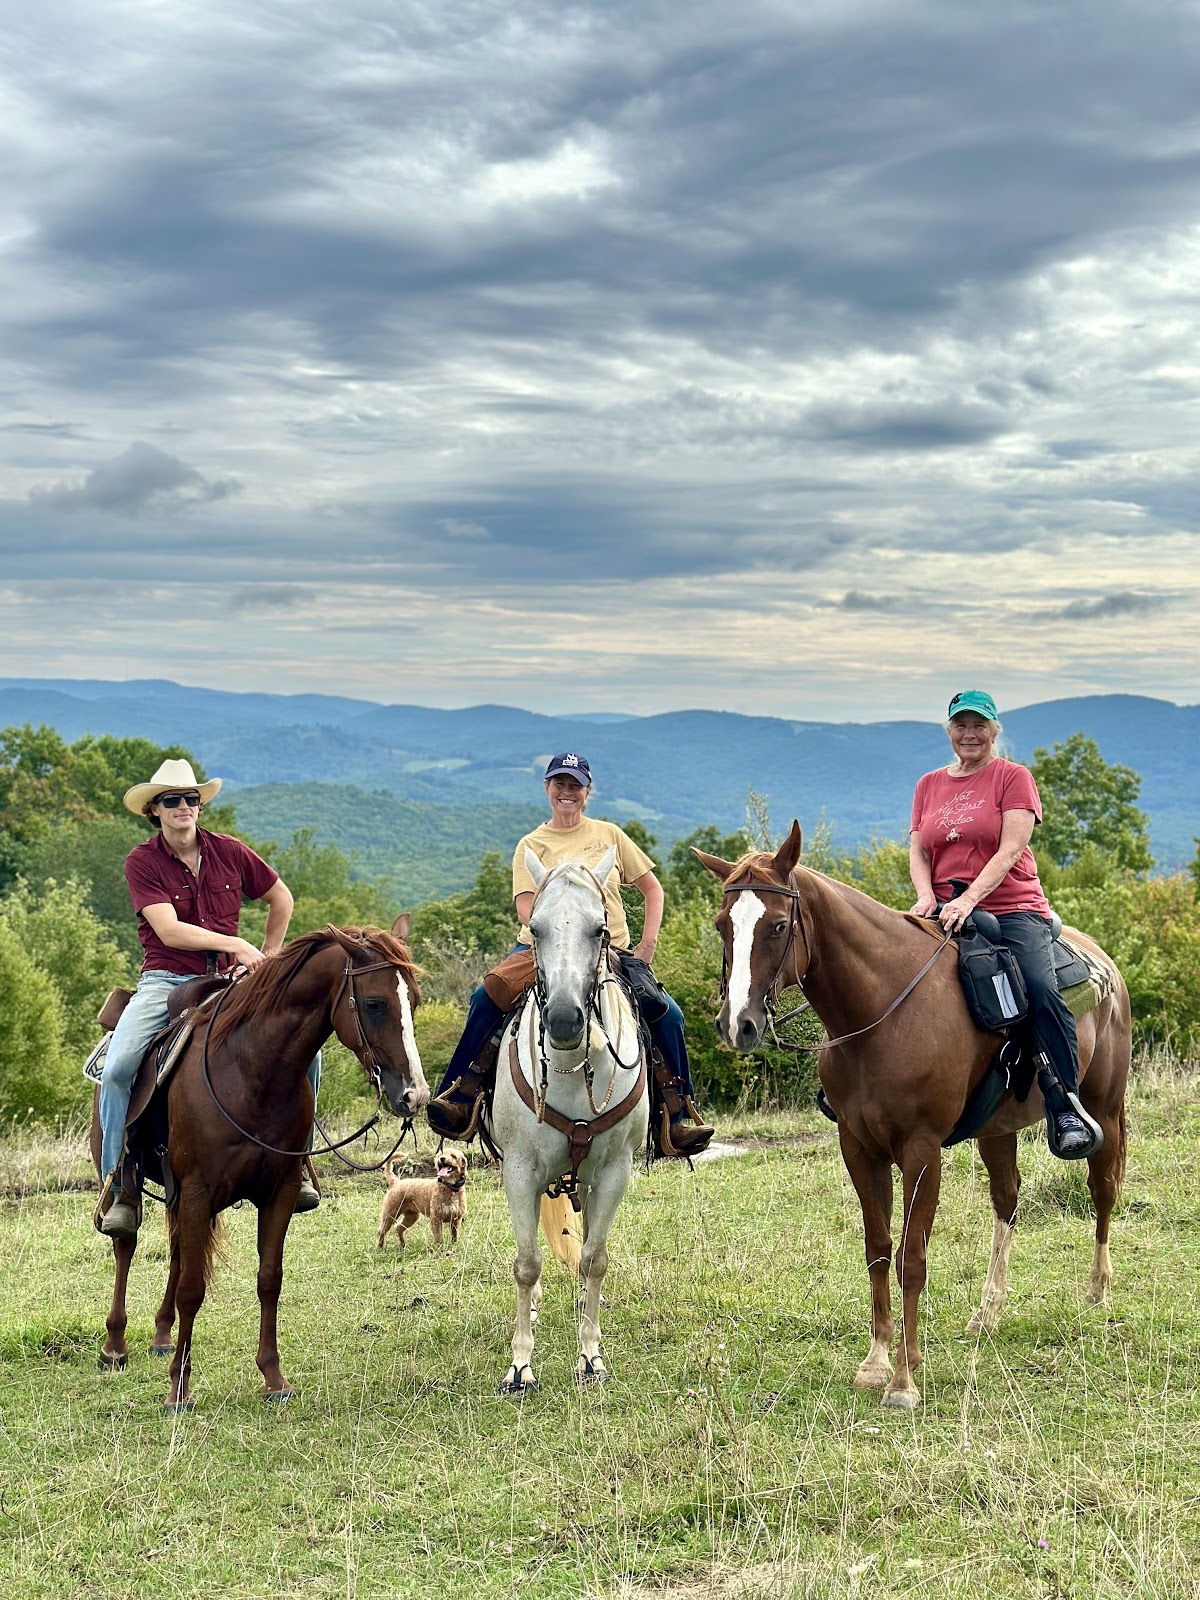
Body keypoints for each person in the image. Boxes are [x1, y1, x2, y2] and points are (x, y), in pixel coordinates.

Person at [427, 753, 714, 1158]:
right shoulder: (532, 845)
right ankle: (459, 1093)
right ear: (547, 789)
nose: (567, 792)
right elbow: (526, 907)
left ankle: (678, 1113)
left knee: (667, 1013)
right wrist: (556, 931)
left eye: (575, 785)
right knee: (484, 998)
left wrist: (646, 945)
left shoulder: (610, 835)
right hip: (540, 947)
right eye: (560, 784)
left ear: (587, 792)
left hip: (606, 948)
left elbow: (653, 889)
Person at [96, 757, 320, 1239]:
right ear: (153, 811)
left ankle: (296, 1163)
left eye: (191, 799)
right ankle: (120, 1183)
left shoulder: (230, 851)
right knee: (117, 1068)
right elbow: (168, 930)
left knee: (306, 1048)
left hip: (231, 980)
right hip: (166, 980)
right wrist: (235, 944)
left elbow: (282, 898)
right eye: (172, 800)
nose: (184, 807)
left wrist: (270, 956)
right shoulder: (142, 861)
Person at [909, 690, 1099, 1158]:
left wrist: (971, 899)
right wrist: (925, 896)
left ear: (995, 730)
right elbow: (918, 848)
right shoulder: (928, 784)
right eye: (960, 725)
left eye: (979, 725)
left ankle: (1065, 1104)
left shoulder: (1012, 777)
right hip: (943, 907)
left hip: (1013, 907)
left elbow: (1010, 849)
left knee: (1038, 987)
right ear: (949, 731)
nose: (969, 733)